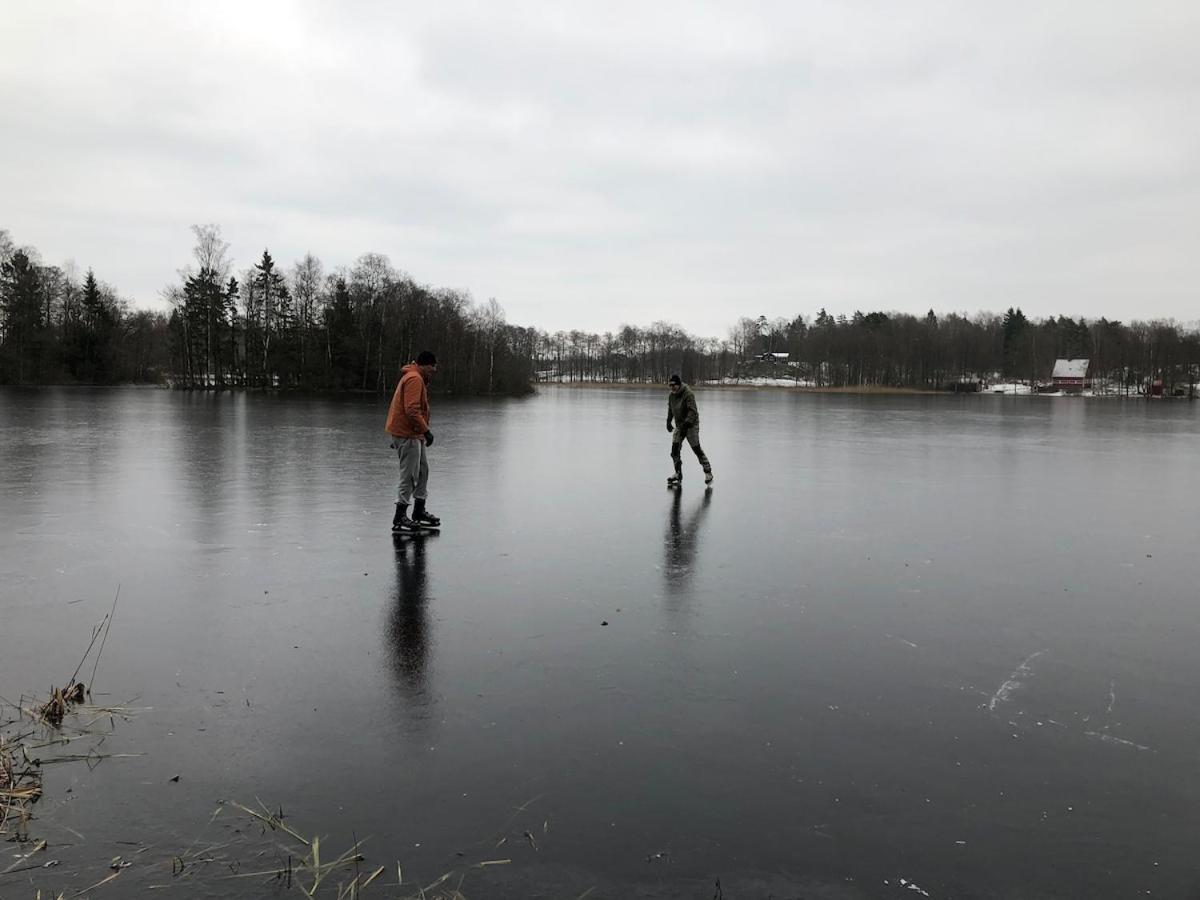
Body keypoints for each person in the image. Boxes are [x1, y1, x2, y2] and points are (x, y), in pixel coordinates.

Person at [386, 351, 441, 532]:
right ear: (425, 365)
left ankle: (419, 511)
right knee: (409, 475)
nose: (434, 371)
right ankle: (400, 516)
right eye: (433, 367)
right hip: (408, 434)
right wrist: (427, 431)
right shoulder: (414, 379)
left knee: (423, 471)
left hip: (414, 434)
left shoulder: (417, 378)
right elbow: (411, 410)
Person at [666, 373, 713, 487]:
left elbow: (693, 412)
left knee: (696, 448)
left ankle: (708, 472)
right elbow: (671, 409)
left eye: (674, 385)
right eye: (670, 385)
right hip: (679, 424)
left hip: (691, 425)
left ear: (678, 384)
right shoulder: (671, 395)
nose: (672, 388)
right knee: (674, 451)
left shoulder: (688, 394)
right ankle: (678, 474)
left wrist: (686, 426)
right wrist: (668, 421)